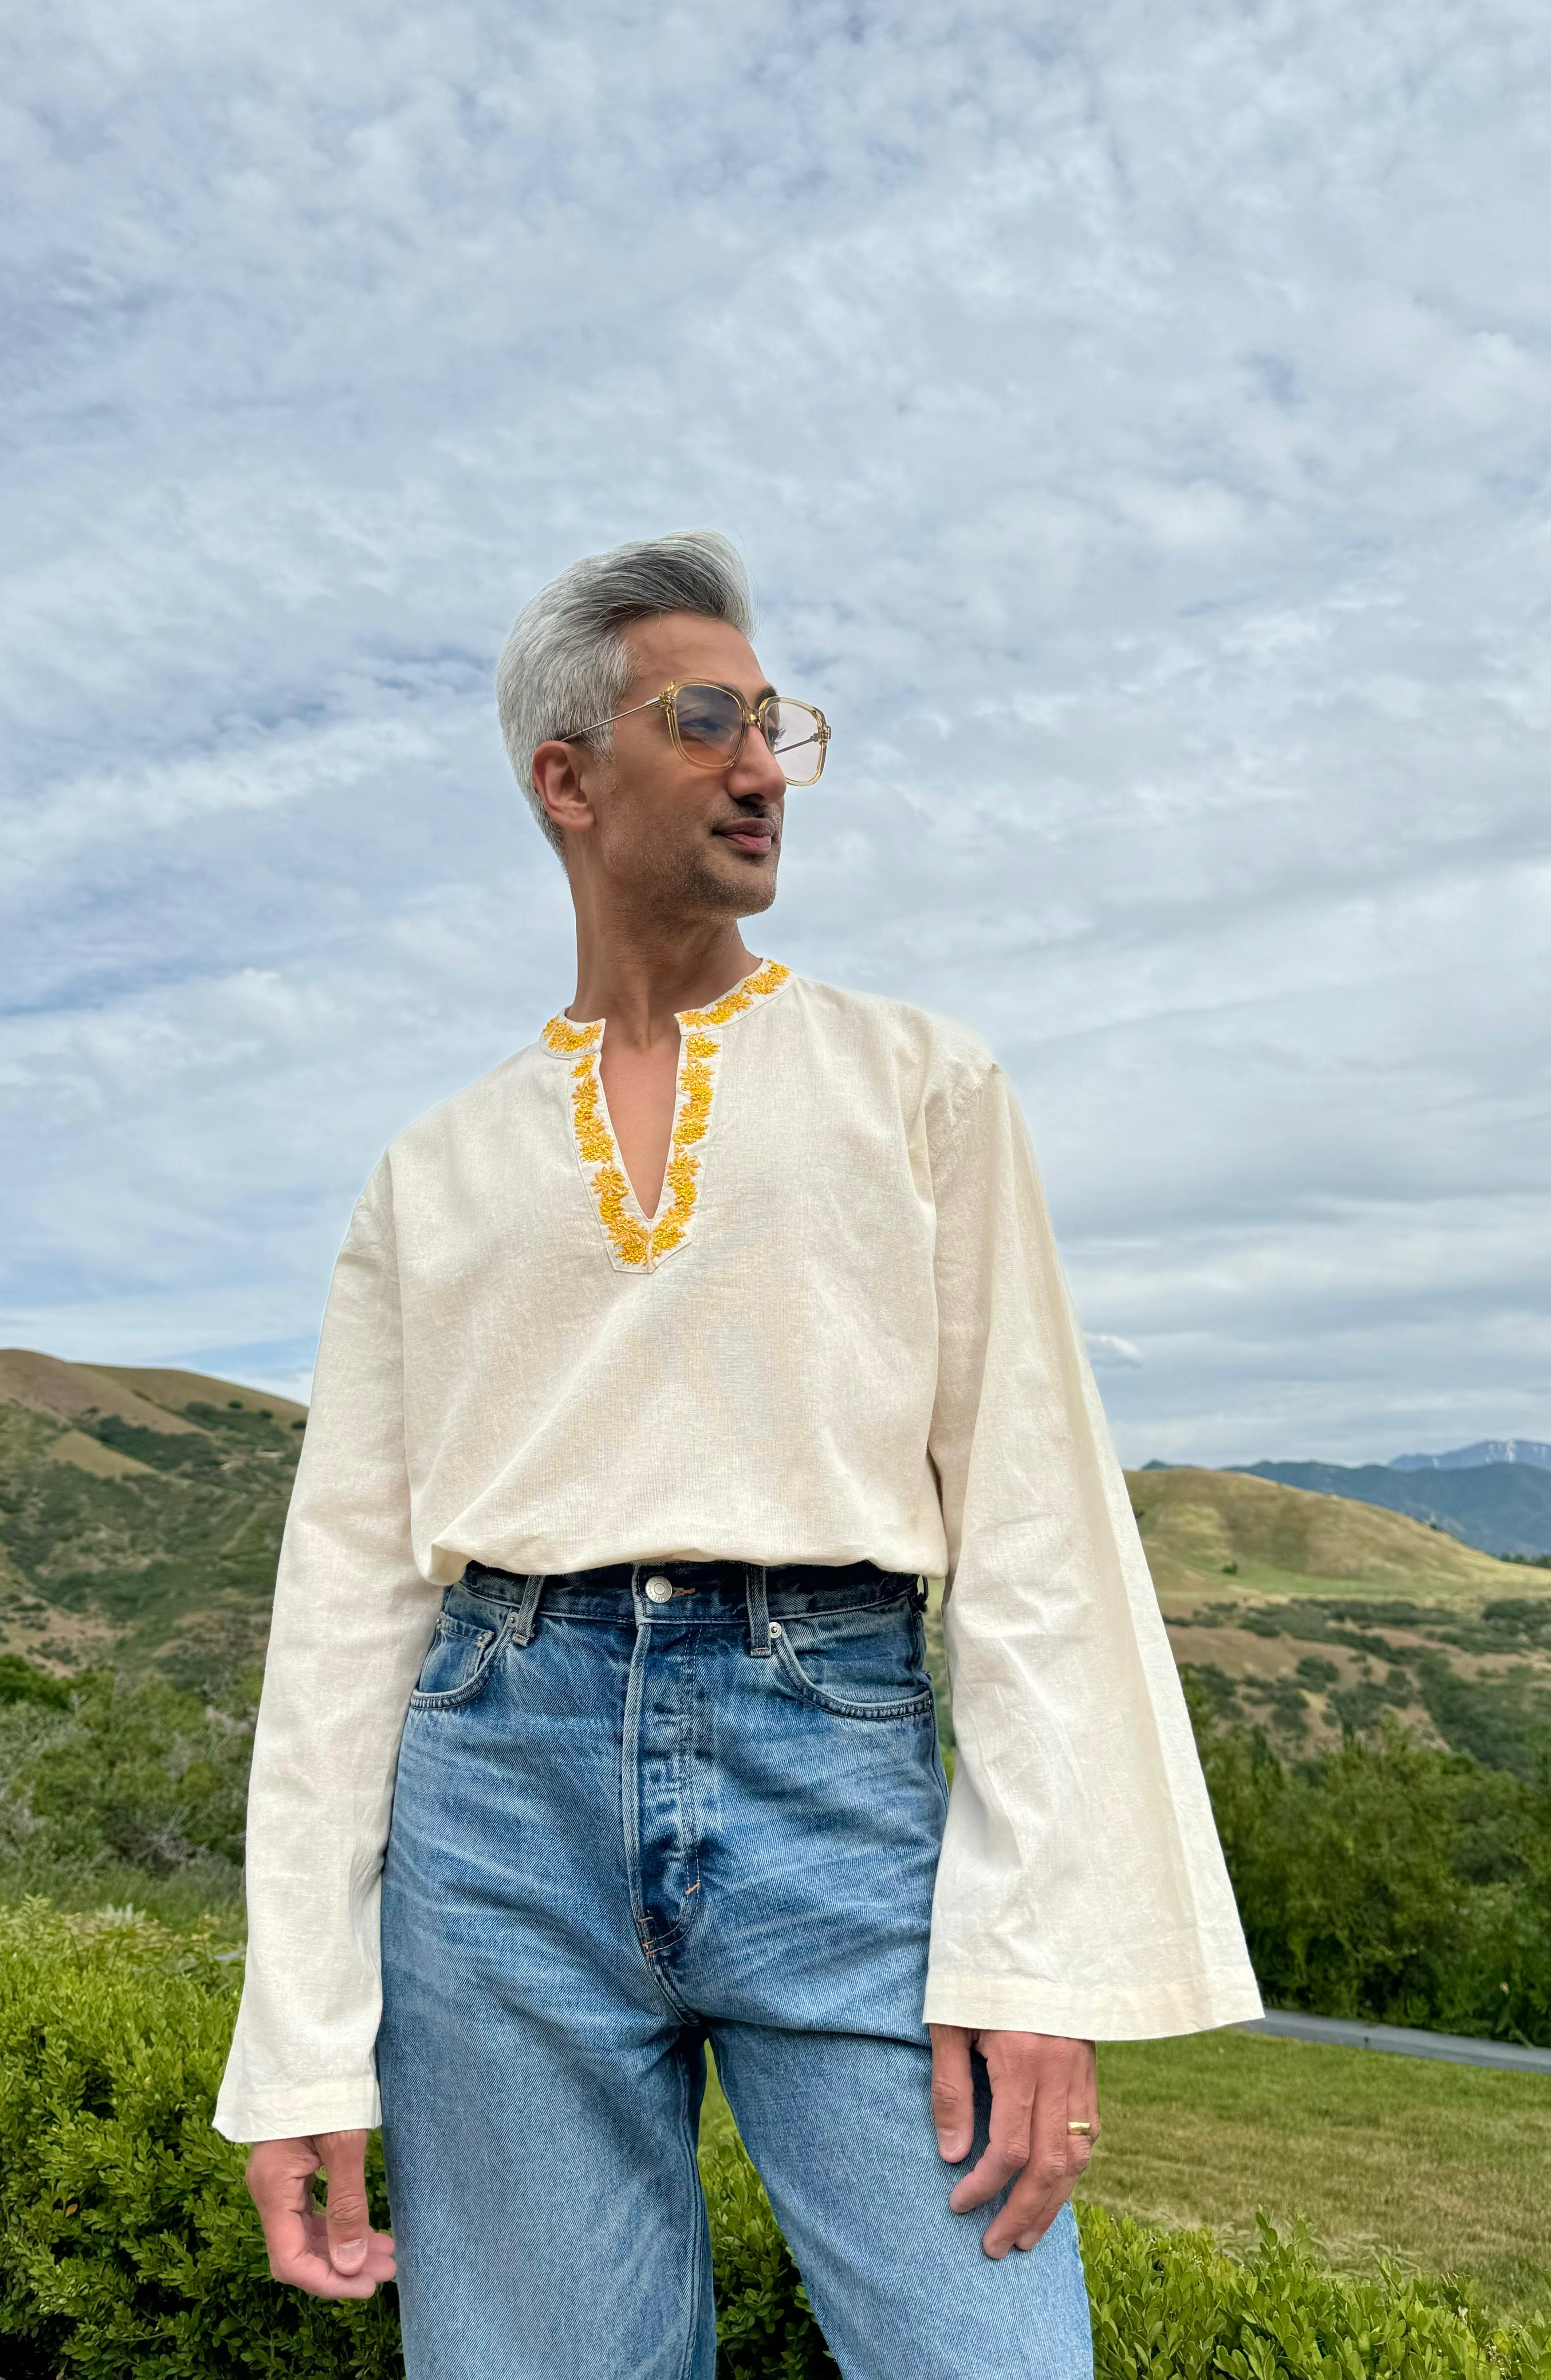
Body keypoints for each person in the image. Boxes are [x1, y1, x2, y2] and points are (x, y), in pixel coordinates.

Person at [216, 532, 1260, 2379]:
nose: (765, 767)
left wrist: (1038, 1959)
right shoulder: (429, 1175)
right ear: (567, 777)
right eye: (707, 721)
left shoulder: (918, 1087)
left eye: (777, 726)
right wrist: (299, 2041)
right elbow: (342, 1612)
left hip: (837, 1775)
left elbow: (1032, 1521)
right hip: (494, 1798)